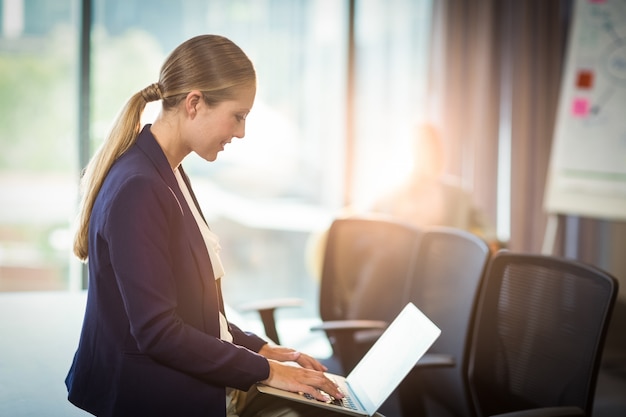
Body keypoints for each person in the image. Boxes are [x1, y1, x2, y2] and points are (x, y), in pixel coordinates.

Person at [65, 34, 359, 417]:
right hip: (151, 395)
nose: (241, 133)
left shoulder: (167, 171)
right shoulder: (140, 186)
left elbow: (190, 309)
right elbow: (158, 333)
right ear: (194, 103)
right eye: (238, 116)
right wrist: (268, 372)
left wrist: (258, 348)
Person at [370, 122, 497, 245]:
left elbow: (489, 232)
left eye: (434, 148)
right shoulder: (388, 196)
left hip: (446, 262)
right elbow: (367, 227)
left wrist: (489, 243)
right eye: (422, 148)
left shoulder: (458, 194)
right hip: (399, 263)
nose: (428, 154)